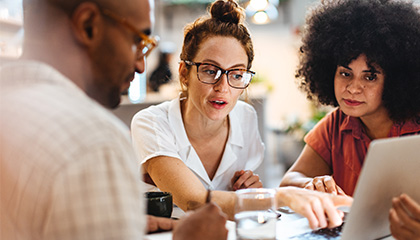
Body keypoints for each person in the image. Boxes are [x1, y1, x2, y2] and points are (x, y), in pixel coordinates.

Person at [0, 0, 228, 239]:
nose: (141, 65)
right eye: (137, 41)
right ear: (88, 26)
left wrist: (117, 222)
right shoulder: (95, 141)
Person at [131, 0, 352, 229]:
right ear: (184, 73)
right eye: (210, 71)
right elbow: (192, 200)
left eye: (236, 75)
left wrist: (250, 192)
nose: (223, 87)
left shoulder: (245, 117)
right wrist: (279, 196)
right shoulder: (151, 123)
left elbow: (237, 208)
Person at [278, 0, 420, 238]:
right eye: (345, 73)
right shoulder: (335, 124)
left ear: (396, 80)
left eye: (370, 77)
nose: (353, 88)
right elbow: (288, 181)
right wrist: (310, 185)